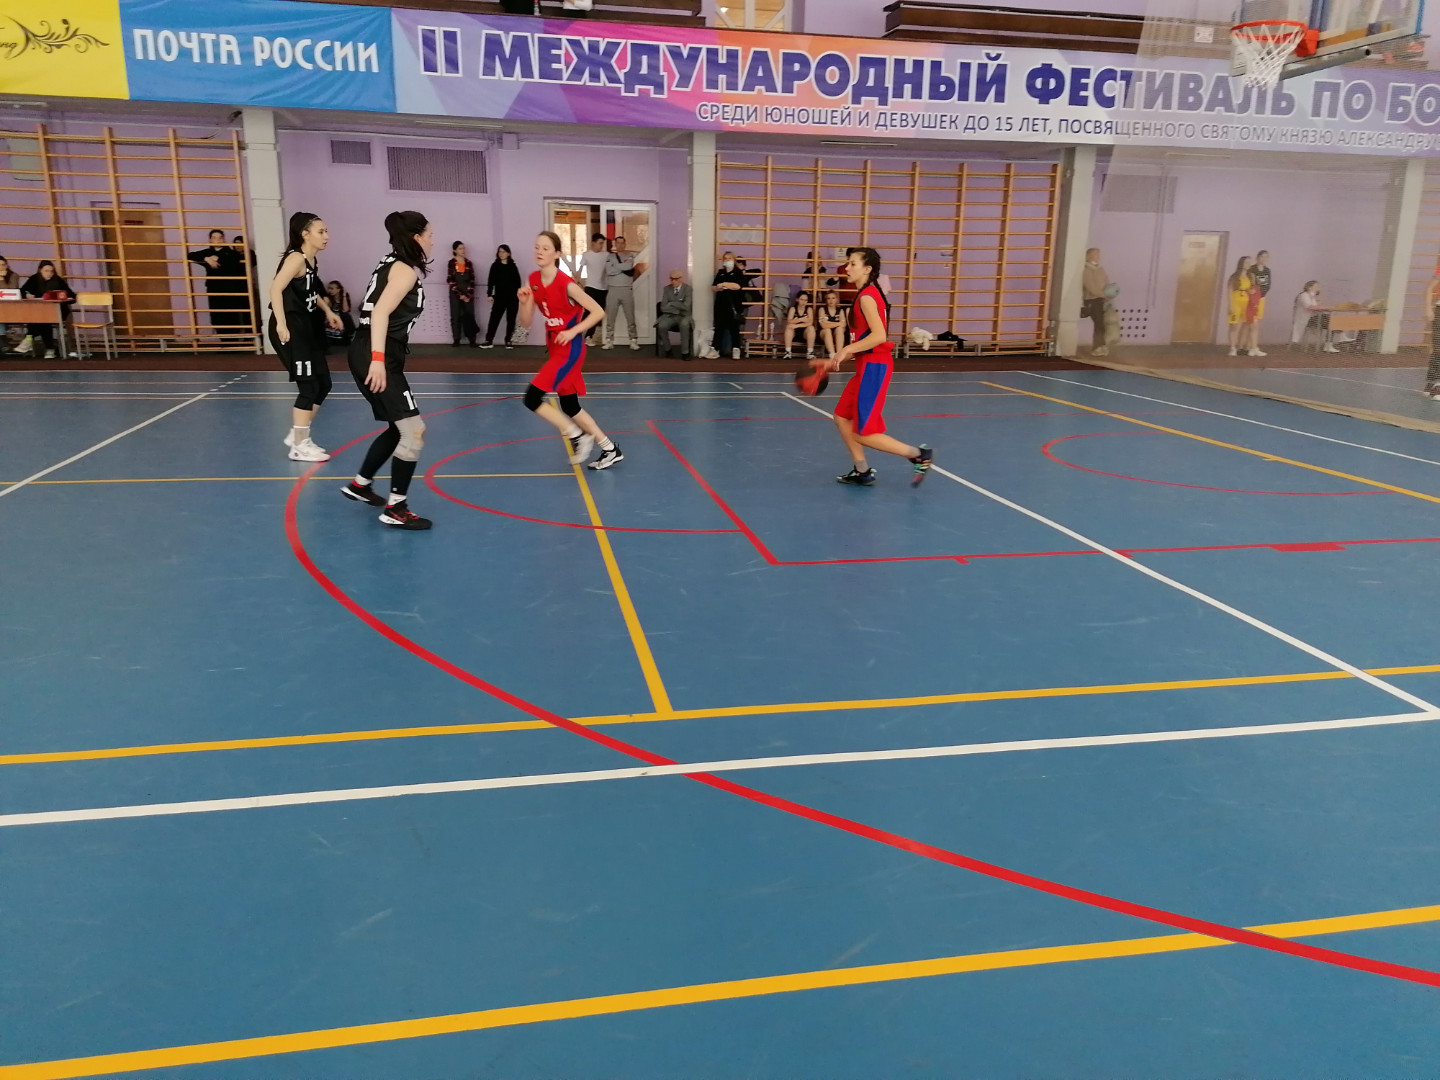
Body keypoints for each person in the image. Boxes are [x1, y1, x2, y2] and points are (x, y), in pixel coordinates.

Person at [341, 210, 435, 530]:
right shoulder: (405, 271)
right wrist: (378, 360)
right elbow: (380, 311)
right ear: (416, 238)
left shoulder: (388, 262)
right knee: (414, 431)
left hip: (365, 348)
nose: (432, 241)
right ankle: (397, 507)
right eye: (429, 235)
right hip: (376, 351)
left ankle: (361, 484)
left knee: (398, 427)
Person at [825, 247, 932, 487]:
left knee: (863, 433)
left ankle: (918, 455)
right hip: (867, 365)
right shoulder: (867, 294)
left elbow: (879, 336)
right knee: (841, 417)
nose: (847, 268)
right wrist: (838, 358)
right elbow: (867, 340)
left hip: (874, 368)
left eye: (852, 263)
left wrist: (847, 349)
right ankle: (862, 471)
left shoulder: (866, 297)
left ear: (867, 269)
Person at [517, 230, 623, 471]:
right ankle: (610, 449)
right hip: (556, 348)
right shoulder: (532, 279)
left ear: (556, 254)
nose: (539, 252)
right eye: (537, 247)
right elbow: (525, 322)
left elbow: (598, 312)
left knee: (531, 398)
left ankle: (576, 434)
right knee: (570, 405)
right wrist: (523, 303)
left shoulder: (566, 284)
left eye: (545, 248)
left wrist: (574, 331)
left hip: (570, 350)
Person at [268, 212, 344, 463]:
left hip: (306, 327)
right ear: (305, 234)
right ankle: (300, 445)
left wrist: (328, 311)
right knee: (309, 386)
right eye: (321, 232)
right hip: (291, 328)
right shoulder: (296, 258)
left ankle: (297, 434)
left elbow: (311, 292)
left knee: (324, 384)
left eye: (326, 231)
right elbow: (275, 288)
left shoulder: (311, 259)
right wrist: (281, 323)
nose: (326, 236)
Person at [187, 228, 248, 339]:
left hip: (230, 289)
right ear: (210, 240)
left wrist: (218, 259)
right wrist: (207, 259)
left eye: (220, 238)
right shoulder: (207, 253)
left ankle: (233, 341)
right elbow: (190, 255)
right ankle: (223, 341)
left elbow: (234, 260)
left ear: (224, 239)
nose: (218, 240)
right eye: (214, 238)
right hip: (214, 289)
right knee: (216, 316)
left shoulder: (231, 252)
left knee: (231, 316)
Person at [18, 261, 76, 359]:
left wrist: (61, 297)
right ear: (40, 270)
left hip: (58, 311)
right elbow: (22, 291)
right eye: (46, 271)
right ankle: (50, 349)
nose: (49, 273)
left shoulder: (58, 280)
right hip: (38, 311)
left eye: (51, 271)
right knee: (43, 320)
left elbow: (72, 297)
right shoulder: (34, 279)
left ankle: (29, 338)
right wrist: (27, 295)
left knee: (44, 319)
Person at [602, 233, 643, 349]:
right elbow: (609, 271)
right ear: (615, 244)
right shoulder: (610, 256)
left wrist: (616, 266)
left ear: (625, 244)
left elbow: (628, 267)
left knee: (630, 317)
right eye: (618, 243)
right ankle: (609, 340)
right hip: (613, 289)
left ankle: (633, 340)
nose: (620, 245)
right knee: (610, 317)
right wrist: (621, 267)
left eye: (622, 243)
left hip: (626, 290)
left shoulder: (629, 255)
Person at [706, 251, 747, 359]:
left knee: (734, 328)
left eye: (729, 258)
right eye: (725, 258)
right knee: (719, 327)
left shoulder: (738, 272)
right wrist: (718, 287)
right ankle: (715, 349)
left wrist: (725, 284)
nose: (727, 260)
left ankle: (736, 349)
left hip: (734, 305)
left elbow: (738, 286)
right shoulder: (721, 273)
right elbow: (713, 287)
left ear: (733, 260)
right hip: (720, 304)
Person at [483, 244, 522, 348]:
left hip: (512, 298)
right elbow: (490, 281)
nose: (501, 254)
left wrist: (518, 295)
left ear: (508, 254)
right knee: (494, 319)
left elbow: (518, 282)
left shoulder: (513, 266)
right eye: (500, 251)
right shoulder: (495, 266)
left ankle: (508, 340)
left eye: (504, 252)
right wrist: (489, 294)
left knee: (511, 320)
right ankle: (489, 340)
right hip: (499, 297)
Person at [1292, 280, 1340, 355]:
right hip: (1307, 319)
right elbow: (1309, 307)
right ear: (1309, 287)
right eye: (1316, 286)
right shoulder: (1304, 295)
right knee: (1331, 322)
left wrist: (1319, 302)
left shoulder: (1313, 296)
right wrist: (1325, 307)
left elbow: (1316, 307)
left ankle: (1330, 343)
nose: (1318, 288)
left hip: (1314, 318)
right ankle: (1336, 338)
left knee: (1333, 322)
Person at [1081, 247, 1113, 357]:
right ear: (1089, 256)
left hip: (1101, 300)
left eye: (1098, 254)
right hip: (1092, 300)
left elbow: (1107, 282)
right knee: (1099, 323)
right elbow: (1090, 287)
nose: (1098, 257)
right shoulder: (1086, 270)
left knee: (1101, 324)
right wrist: (1102, 294)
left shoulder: (1100, 269)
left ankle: (1101, 345)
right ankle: (1097, 347)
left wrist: (1109, 292)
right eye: (1095, 254)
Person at [446, 241, 479, 347]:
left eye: (463, 248)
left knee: (470, 315)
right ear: (454, 250)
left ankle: (472, 339)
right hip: (455, 293)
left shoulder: (468, 263)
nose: (463, 250)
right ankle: (456, 339)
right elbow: (450, 280)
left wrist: (468, 294)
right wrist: (459, 294)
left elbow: (472, 279)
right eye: (460, 248)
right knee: (455, 316)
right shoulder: (451, 263)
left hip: (468, 292)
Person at [656, 269, 693, 358]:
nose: (673, 281)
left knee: (684, 325)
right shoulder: (666, 289)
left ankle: (685, 352)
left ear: (681, 278)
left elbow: (686, 306)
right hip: (670, 316)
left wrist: (672, 303)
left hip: (684, 316)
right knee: (661, 326)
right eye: (671, 279)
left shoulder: (687, 289)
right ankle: (668, 349)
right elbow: (663, 307)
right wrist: (677, 309)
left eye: (675, 279)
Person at [579, 233, 609, 341]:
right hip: (590, 287)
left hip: (603, 289)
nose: (601, 246)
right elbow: (580, 270)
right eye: (600, 243)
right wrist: (579, 284)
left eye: (602, 243)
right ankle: (577, 332)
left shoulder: (606, 255)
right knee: (588, 311)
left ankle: (589, 336)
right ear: (593, 243)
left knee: (598, 313)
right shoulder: (586, 255)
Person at [1227, 255, 1255, 357]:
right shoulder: (1234, 277)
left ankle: (1240, 347)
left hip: (1246, 303)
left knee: (1244, 325)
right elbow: (1229, 291)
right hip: (1236, 302)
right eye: (1246, 262)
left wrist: (1251, 291)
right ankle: (1232, 347)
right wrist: (1230, 305)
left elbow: (1251, 289)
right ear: (1241, 263)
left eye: (1249, 262)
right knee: (1234, 326)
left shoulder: (1250, 276)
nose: (1248, 264)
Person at [1245, 249, 1271, 357]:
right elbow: (1251, 285)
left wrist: (1261, 294)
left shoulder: (1267, 270)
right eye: (1262, 256)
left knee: (1255, 323)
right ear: (1257, 257)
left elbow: (1268, 285)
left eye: (1266, 257)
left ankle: (1251, 346)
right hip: (1252, 299)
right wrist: (1254, 295)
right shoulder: (1252, 269)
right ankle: (1251, 347)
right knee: (1252, 323)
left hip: (1261, 298)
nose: (1264, 259)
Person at [784, 289, 817, 360]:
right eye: (802, 300)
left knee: (811, 328)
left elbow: (810, 322)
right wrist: (802, 319)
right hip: (794, 333)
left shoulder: (809, 309)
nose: (803, 302)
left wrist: (796, 324)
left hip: (805, 333)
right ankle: (787, 352)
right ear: (797, 299)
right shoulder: (793, 309)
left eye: (805, 300)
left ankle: (810, 352)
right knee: (789, 327)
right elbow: (789, 321)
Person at [324, 280, 355, 349]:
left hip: (342, 318)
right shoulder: (328, 298)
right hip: (332, 318)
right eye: (328, 288)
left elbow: (345, 310)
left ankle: (347, 336)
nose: (329, 290)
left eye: (332, 288)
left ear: (338, 290)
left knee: (345, 314)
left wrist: (344, 296)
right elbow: (327, 311)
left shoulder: (344, 297)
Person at [817, 289, 846, 359]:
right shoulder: (822, 309)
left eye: (833, 298)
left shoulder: (840, 310)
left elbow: (843, 324)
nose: (831, 300)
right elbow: (823, 325)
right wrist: (838, 323)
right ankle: (832, 354)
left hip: (836, 333)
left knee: (839, 329)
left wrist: (828, 322)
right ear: (826, 300)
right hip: (823, 334)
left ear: (836, 299)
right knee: (827, 330)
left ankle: (838, 353)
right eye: (828, 298)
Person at [0, 254, 19, 355]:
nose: (1, 267)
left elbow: (11, 291)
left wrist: (1, 279)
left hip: (11, 307)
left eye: (3, 265)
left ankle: (2, 340)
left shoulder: (13, 276)